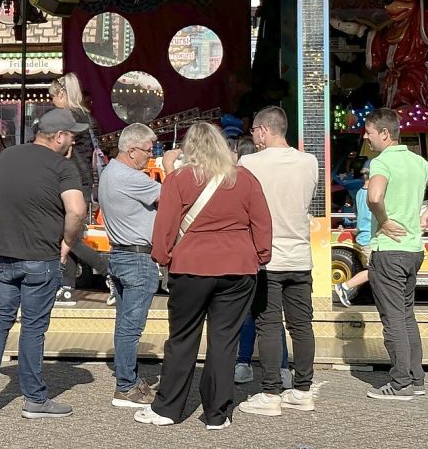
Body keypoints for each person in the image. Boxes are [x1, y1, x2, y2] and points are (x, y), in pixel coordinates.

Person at [134, 122, 272, 429]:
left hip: (190, 267)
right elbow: (262, 222)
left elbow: (166, 226)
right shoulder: (245, 179)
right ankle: (216, 414)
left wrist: (163, 257)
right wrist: (261, 255)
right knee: (225, 342)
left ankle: (168, 409)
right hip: (238, 268)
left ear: (189, 147)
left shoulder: (179, 179)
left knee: (182, 339)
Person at [0, 108, 86, 419]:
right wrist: (67, 243)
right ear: (59, 136)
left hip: (4, 254)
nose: (73, 141)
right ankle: (35, 399)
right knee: (33, 328)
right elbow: (76, 210)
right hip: (42, 257)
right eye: (71, 135)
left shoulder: (7, 156)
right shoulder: (63, 166)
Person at [238, 106, 319, 416]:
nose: (254, 137)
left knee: (268, 324)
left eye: (254, 132)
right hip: (300, 254)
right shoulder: (309, 162)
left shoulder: (248, 162)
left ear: (263, 130)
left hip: (265, 256)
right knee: (302, 325)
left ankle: (271, 393)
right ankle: (303, 390)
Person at [97, 123, 177, 408]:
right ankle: (126, 387)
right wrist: (169, 167)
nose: (151, 155)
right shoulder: (131, 178)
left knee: (124, 325)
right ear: (131, 151)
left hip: (119, 255)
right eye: (148, 149)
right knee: (131, 328)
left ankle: (127, 380)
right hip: (137, 258)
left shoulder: (110, 173)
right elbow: (174, 197)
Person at [362, 108, 428, 400]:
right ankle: (416, 379)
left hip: (389, 250)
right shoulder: (420, 162)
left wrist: (384, 220)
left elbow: (374, 196)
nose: (366, 136)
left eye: (370, 132)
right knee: (406, 314)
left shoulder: (382, 162)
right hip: (414, 248)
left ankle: (400, 382)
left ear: (385, 134)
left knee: (393, 319)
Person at [232, 136, 292, 388]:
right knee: (272, 316)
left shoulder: (242, 177)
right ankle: (283, 368)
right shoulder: (282, 176)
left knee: (251, 313)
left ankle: (244, 363)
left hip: (250, 252)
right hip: (278, 250)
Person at [49, 72, 99, 306]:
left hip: (70, 181)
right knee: (68, 235)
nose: (51, 101)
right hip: (84, 181)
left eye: (53, 96)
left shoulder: (66, 118)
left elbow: (58, 149)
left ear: (62, 94)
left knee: (68, 236)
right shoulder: (86, 116)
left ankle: (109, 271)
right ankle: (67, 287)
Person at [335, 160, 372, 307]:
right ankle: (344, 286)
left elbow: (358, 215)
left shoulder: (359, 193)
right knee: (376, 271)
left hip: (363, 235)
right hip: (370, 237)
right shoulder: (373, 195)